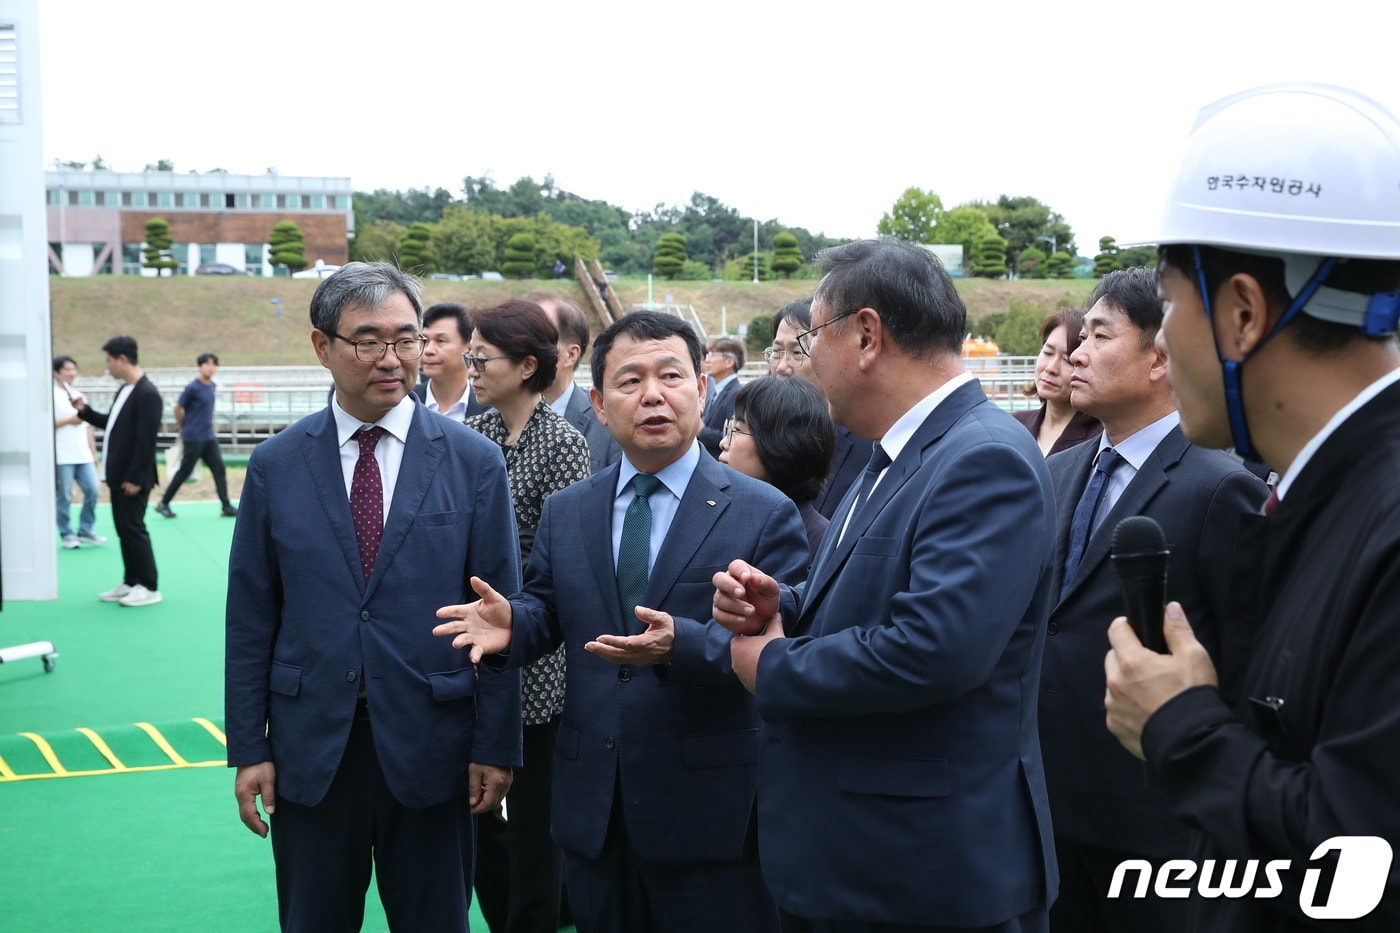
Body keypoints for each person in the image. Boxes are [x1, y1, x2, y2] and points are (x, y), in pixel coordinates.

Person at [1103, 83, 1400, 932]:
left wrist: (1181, 727)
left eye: (1167, 302)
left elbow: (1360, 864)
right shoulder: (1312, 490)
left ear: (1241, 312)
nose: (1158, 341)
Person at [713, 239, 1058, 932]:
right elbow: (870, 591)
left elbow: (934, 648)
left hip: (923, 871)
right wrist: (787, 605)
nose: (803, 358)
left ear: (867, 335)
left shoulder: (982, 457)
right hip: (866, 859)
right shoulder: (897, 451)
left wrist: (774, 663)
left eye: (812, 335)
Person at [433, 310, 810, 933]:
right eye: (630, 381)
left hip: (711, 812)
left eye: (671, 375)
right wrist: (513, 625)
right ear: (600, 404)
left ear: (703, 391)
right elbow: (550, 608)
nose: (653, 394)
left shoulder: (763, 512)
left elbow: (785, 643)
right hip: (594, 809)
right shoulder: (570, 508)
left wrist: (681, 645)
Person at [224, 262, 523, 933]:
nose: (392, 359)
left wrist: (496, 744)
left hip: (434, 745)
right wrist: (250, 747)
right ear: (321, 346)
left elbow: (499, 615)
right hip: (311, 749)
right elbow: (250, 618)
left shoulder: (473, 461)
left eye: (407, 339)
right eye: (368, 340)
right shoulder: (275, 466)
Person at [1039, 268, 1266, 933]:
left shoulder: (1220, 486)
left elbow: (1245, 660)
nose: (1076, 352)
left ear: (1160, 356)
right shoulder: (1055, 473)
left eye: (1100, 335)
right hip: (1050, 810)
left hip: (1156, 827)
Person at [464, 299, 591, 933]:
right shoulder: (476, 437)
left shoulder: (564, 446)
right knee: (478, 819)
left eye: (481, 358)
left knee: (537, 829)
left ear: (526, 365)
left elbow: (565, 571)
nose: (472, 369)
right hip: (478, 656)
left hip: (541, 667)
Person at [765, 298, 874, 518]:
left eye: (797, 353)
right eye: (776, 352)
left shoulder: (869, 445)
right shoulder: (756, 433)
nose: (782, 367)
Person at [75, 335, 163, 607]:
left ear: (122, 359)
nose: (108, 366)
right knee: (124, 529)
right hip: (119, 476)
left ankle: (148, 586)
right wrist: (84, 412)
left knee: (134, 528)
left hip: (133, 479)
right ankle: (131, 580)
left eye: (109, 361)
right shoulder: (125, 389)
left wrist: (135, 477)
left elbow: (145, 440)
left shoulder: (148, 394)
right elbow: (112, 424)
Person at [719, 376, 835, 556]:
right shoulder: (726, 519)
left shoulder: (821, 543)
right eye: (728, 429)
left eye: (738, 431)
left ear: (782, 444)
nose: (723, 443)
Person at [525, 290, 622, 473]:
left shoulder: (609, 424)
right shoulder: (489, 423)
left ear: (570, 354)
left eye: (537, 338)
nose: (521, 349)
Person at [155, 352, 237, 518]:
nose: (211, 367)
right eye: (207, 364)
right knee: (185, 471)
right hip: (193, 437)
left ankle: (226, 505)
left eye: (214, 364)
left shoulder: (212, 386)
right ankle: (163, 503)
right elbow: (178, 407)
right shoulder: (193, 387)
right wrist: (184, 425)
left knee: (219, 468)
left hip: (208, 436)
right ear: (200, 366)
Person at [1012, 308, 1103, 456]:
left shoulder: (1099, 439)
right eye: (1047, 353)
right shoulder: (1014, 426)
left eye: (1067, 361)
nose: (1051, 368)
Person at [52, 355, 105, 549]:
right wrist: (70, 421)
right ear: (56, 373)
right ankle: (67, 534)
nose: (72, 373)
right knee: (64, 495)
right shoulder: (49, 395)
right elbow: (45, 424)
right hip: (61, 455)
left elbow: (87, 427)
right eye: (67, 369)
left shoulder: (79, 396)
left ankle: (86, 529)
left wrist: (93, 452)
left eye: (74, 369)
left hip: (82, 454)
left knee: (93, 489)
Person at [415, 301, 488, 420]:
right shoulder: (405, 401)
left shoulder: (490, 410)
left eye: (441, 341)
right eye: (426, 341)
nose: (428, 350)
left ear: (469, 348)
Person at [697, 336, 745, 458]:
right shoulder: (718, 390)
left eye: (712, 355)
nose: (708, 360)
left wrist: (702, 432)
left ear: (729, 362)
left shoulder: (736, 393)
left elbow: (734, 436)